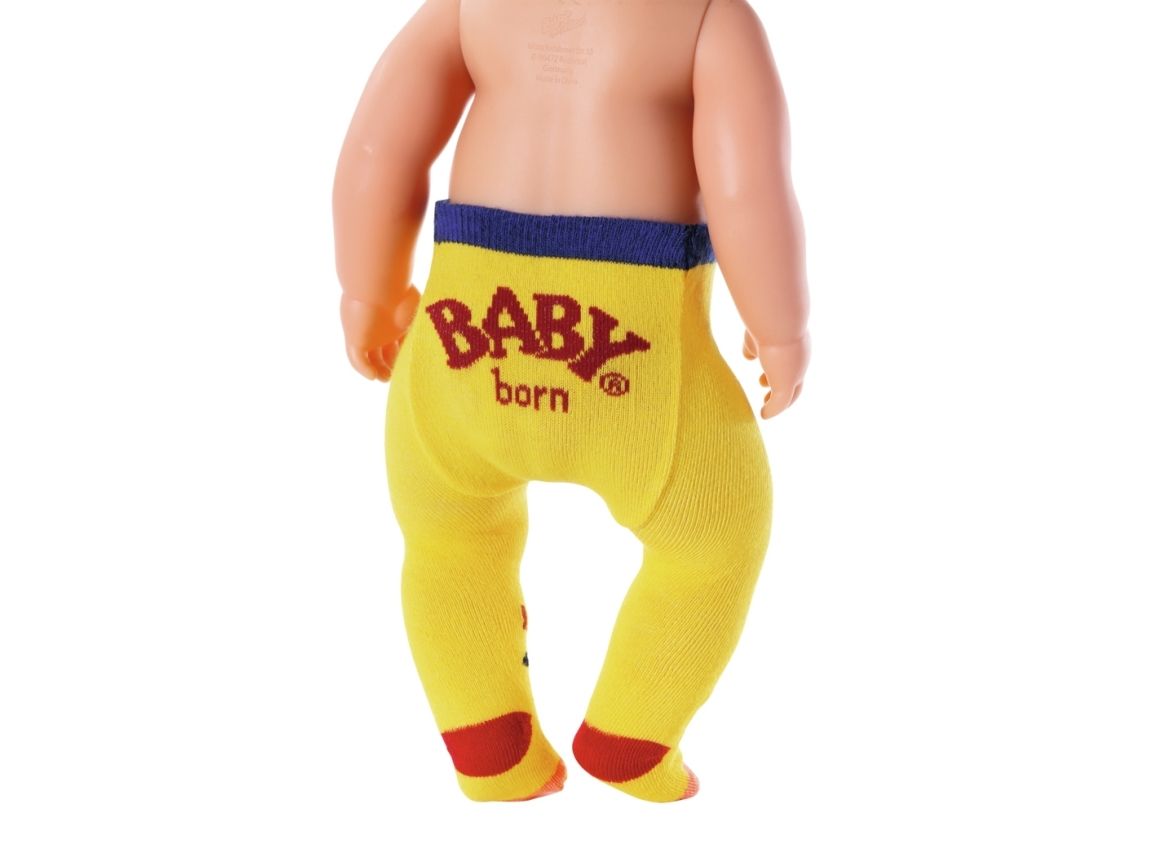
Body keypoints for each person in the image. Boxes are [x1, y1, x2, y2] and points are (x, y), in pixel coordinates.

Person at [332, 0, 811, 803]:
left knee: (448, 540)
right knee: (716, 537)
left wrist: (365, 293)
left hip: (463, 341)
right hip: (633, 359)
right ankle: (632, 730)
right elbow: (747, 189)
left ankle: (487, 740)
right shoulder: (707, 17)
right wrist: (780, 329)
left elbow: (378, 148)